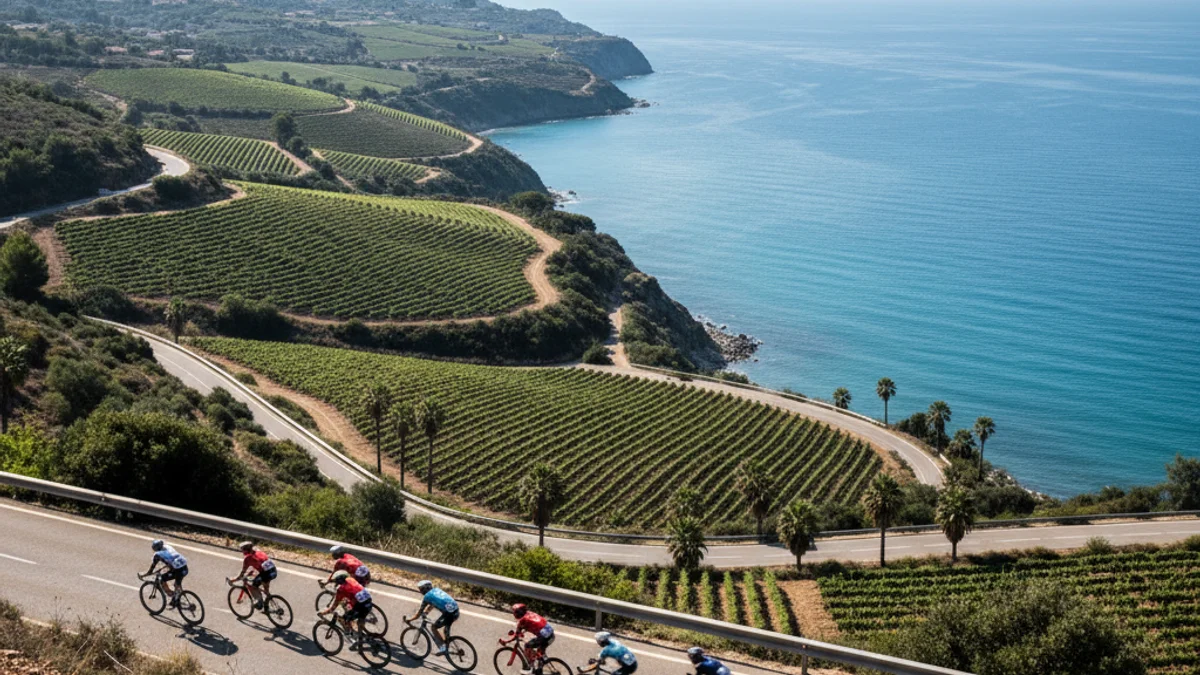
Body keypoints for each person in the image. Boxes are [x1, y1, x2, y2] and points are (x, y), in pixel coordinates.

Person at [319, 570, 374, 647]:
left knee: (343, 619)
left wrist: (323, 613)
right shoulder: (351, 579)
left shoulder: (341, 590)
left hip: (360, 606)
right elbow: (352, 595)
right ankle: (362, 636)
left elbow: (333, 607)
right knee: (359, 619)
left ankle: (350, 638)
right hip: (369, 602)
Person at [407, 580, 459, 655]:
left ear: (423, 589)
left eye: (420, 589)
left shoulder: (426, 597)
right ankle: (447, 644)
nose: (420, 591)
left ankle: (443, 647)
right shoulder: (436, 590)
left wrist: (409, 620)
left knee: (433, 627)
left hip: (449, 614)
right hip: (456, 610)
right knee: (446, 630)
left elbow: (418, 615)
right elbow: (434, 603)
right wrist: (427, 612)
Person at [227, 541, 277, 610]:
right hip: (273, 571)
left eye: (242, 550)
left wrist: (233, 580)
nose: (242, 552)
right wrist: (252, 572)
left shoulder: (247, 559)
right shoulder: (259, 552)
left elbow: (241, 575)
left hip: (266, 574)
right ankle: (269, 607)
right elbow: (260, 564)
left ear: (245, 550)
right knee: (266, 590)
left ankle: (259, 602)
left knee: (253, 585)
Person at [512, 603, 555, 675]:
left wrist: (508, 640)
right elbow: (532, 625)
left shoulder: (523, 620)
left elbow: (517, 633)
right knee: (540, 653)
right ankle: (540, 669)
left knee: (527, 646)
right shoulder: (530, 613)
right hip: (551, 634)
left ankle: (531, 669)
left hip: (544, 637)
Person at [145, 539, 188, 606]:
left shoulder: (157, 554)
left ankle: (173, 595)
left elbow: (153, 566)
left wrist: (149, 573)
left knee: (162, 579)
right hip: (185, 567)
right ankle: (175, 598)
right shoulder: (168, 547)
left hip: (178, 570)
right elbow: (170, 560)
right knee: (177, 583)